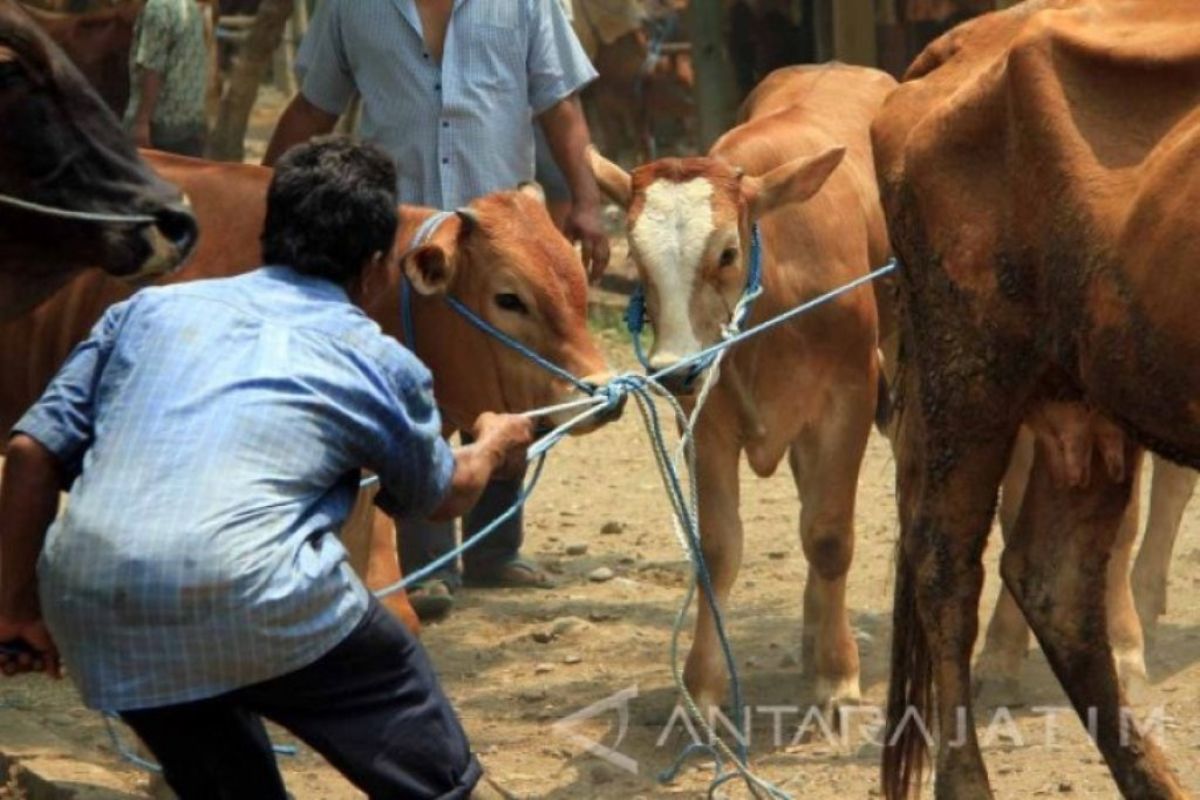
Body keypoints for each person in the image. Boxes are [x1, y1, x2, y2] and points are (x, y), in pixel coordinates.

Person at [0, 137, 531, 800]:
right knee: (435, 771)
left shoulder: (146, 309)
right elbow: (440, 495)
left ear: (270, 229)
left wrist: (15, 607)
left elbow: (28, 453)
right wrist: (492, 442)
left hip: (99, 610)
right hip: (265, 594)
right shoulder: (372, 354)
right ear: (373, 268)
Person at [264, 0, 610, 620]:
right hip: (398, 238)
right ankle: (425, 564)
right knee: (405, 387)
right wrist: (257, 197)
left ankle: (496, 551)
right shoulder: (349, 8)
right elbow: (315, 106)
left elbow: (560, 105)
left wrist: (586, 200)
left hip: (501, 234)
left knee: (509, 385)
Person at [124, 0, 209, 156]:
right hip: (191, 121)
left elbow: (153, 68)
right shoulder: (191, 6)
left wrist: (142, 122)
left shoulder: (157, 8)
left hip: (161, 124)